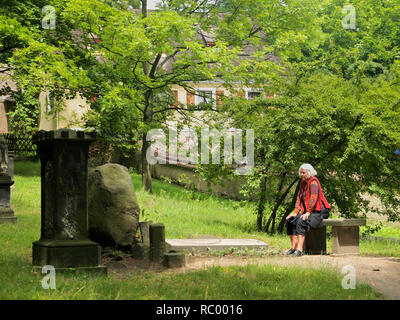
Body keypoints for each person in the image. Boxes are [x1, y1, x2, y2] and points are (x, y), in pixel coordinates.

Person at [284, 163, 331, 256]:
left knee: (301, 220)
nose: (301, 175)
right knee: (290, 220)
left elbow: (313, 198)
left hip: (320, 211)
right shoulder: (302, 183)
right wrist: (295, 212)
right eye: (300, 173)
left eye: (303, 173)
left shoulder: (313, 182)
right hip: (310, 211)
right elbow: (299, 199)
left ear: (309, 173)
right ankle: (293, 248)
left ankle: (299, 250)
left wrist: (308, 212)